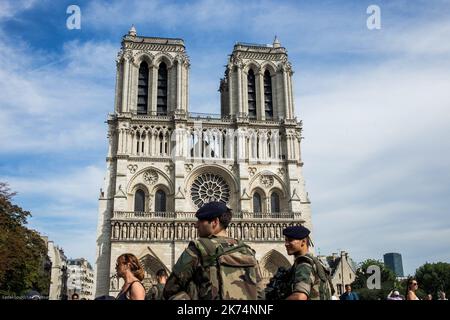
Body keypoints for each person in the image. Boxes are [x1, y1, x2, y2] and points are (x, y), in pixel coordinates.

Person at [163, 201, 264, 300]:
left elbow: (170, 290)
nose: (196, 225)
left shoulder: (197, 249)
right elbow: (260, 294)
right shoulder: (247, 251)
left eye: (201, 221)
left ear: (215, 222)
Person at [279, 225, 333, 300]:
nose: (286, 244)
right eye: (286, 240)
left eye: (290, 240)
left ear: (303, 242)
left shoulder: (304, 264)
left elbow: (299, 297)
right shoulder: (316, 263)